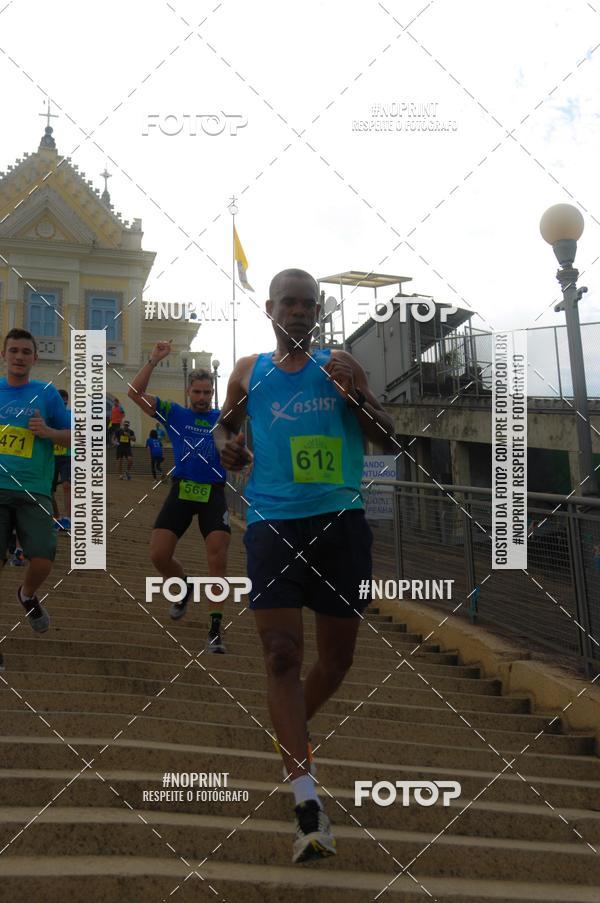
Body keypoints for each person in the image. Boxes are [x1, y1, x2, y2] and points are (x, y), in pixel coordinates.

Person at [214, 268, 394, 864]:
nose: (297, 311)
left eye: (307, 304)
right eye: (287, 302)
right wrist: (227, 446)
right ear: (270, 309)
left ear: (317, 312)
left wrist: (358, 399)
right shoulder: (248, 372)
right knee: (281, 656)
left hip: (339, 523)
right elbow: (224, 428)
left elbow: (388, 442)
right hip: (271, 524)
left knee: (337, 659)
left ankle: (289, 731)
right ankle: (307, 803)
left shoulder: (341, 365)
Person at [127, 343, 231, 652]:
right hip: (182, 489)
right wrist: (153, 359)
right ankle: (184, 587)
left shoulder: (223, 418)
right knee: (158, 554)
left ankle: (215, 630)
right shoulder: (175, 413)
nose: (201, 398)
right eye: (196, 393)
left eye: (206, 393)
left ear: (212, 392)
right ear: (188, 392)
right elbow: (133, 393)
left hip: (213, 492)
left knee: (218, 557)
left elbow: (241, 445)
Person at [0, 328, 72, 669]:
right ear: (4, 355)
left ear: (34, 358)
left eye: (25, 352)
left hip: (35, 491)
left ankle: (27, 595)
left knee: (42, 558)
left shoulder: (46, 394)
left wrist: (49, 433)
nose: (19, 356)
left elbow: (79, 436)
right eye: (13, 350)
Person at [51, 389, 72, 531]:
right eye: (61, 400)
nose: (63, 403)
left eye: (65, 401)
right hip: (51, 456)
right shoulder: (50, 416)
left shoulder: (71, 415)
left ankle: (67, 518)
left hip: (68, 456)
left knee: (66, 485)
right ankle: (57, 516)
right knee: (48, 489)